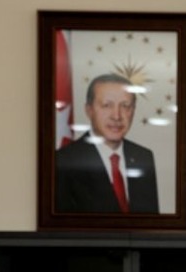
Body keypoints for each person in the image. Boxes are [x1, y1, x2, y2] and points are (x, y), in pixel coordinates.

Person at [55, 73, 160, 214]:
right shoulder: (63, 161)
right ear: (89, 110)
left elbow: (150, 222)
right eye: (107, 105)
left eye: (125, 106)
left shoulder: (143, 157)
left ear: (133, 110)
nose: (116, 116)